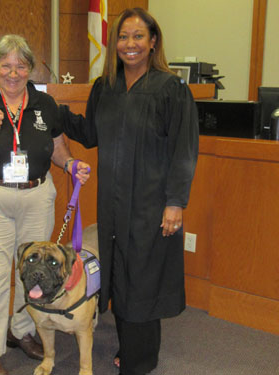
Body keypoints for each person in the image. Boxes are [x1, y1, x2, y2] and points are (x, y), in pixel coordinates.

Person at [58, 8, 199, 375]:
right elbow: (91, 134)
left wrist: (175, 203)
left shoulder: (171, 89)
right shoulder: (105, 87)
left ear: (153, 42)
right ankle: (131, 347)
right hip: (113, 202)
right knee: (120, 274)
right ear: (114, 43)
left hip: (152, 204)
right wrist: (55, 114)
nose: (130, 44)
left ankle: (140, 359)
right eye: (123, 37)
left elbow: (183, 151)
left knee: (144, 278)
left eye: (139, 36)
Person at [0, 34, 90, 375]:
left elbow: (56, 145)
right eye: (6, 65)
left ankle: (21, 330)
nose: (13, 73)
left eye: (20, 66)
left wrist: (69, 165)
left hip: (36, 196)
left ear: (30, 69)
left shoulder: (44, 103)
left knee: (33, 271)